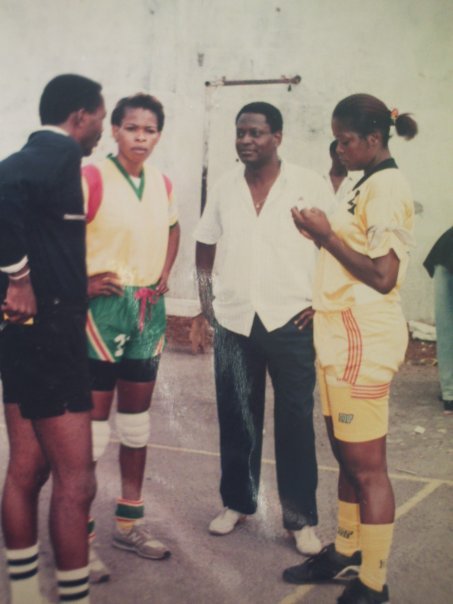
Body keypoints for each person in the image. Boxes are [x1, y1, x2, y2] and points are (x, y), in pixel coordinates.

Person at [282, 94, 417, 604]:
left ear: (374, 140)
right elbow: (351, 260)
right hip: (339, 331)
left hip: (363, 337)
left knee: (367, 466)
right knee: (344, 452)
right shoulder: (363, 183)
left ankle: (374, 582)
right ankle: (346, 549)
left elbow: (384, 275)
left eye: (345, 140)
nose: (337, 149)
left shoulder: (387, 188)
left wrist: (324, 236)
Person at [195, 102, 333, 555]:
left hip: (290, 319)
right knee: (237, 415)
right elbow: (204, 243)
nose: (246, 140)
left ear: (278, 137)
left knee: (294, 419)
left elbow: (336, 242)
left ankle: (300, 520)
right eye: (240, 132)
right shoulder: (224, 186)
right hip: (234, 319)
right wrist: (205, 303)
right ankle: (237, 502)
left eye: (255, 132)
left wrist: (322, 302)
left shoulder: (308, 184)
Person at [0, 74, 105, 604]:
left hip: (25, 337)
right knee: (76, 479)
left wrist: (22, 278)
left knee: (26, 468)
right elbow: (0, 188)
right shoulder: (56, 153)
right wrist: (16, 277)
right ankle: (73, 597)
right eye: (104, 119)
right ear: (80, 116)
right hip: (52, 337)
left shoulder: (47, 159)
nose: (102, 133)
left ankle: (23, 591)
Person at [82, 93, 180, 573]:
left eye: (150, 129)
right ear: (114, 130)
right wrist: (80, 283)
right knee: (94, 432)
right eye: (132, 128)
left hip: (147, 309)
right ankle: (80, 535)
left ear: (159, 134)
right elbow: (53, 236)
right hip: (101, 311)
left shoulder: (163, 183)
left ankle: (127, 524)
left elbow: (173, 228)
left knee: (137, 425)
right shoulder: (91, 177)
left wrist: (164, 272)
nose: (141, 137)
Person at [424, 227, 453, 414]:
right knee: (447, 326)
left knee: (447, 326)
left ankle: (449, 390)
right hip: (446, 256)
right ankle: (449, 393)